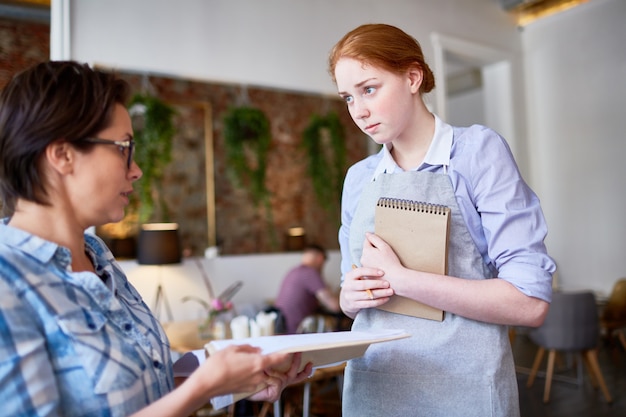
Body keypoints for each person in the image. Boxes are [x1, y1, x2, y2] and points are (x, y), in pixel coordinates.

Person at [0, 61, 312, 417]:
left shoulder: (97, 254)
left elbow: (150, 382)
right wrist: (202, 387)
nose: (136, 169)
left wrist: (238, 378)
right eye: (123, 148)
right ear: (62, 155)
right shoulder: (8, 282)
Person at [330, 24, 556, 417]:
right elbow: (353, 295)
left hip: (464, 389)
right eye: (348, 97)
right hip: (375, 387)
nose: (359, 111)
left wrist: (401, 279)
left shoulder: (476, 154)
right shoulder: (359, 179)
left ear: (413, 77)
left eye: (369, 89)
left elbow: (529, 302)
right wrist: (348, 299)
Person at [273, 244, 341, 334]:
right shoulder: (310, 273)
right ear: (320, 258)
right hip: (297, 331)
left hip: (283, 328)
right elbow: (334, 306)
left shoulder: (294, 271)